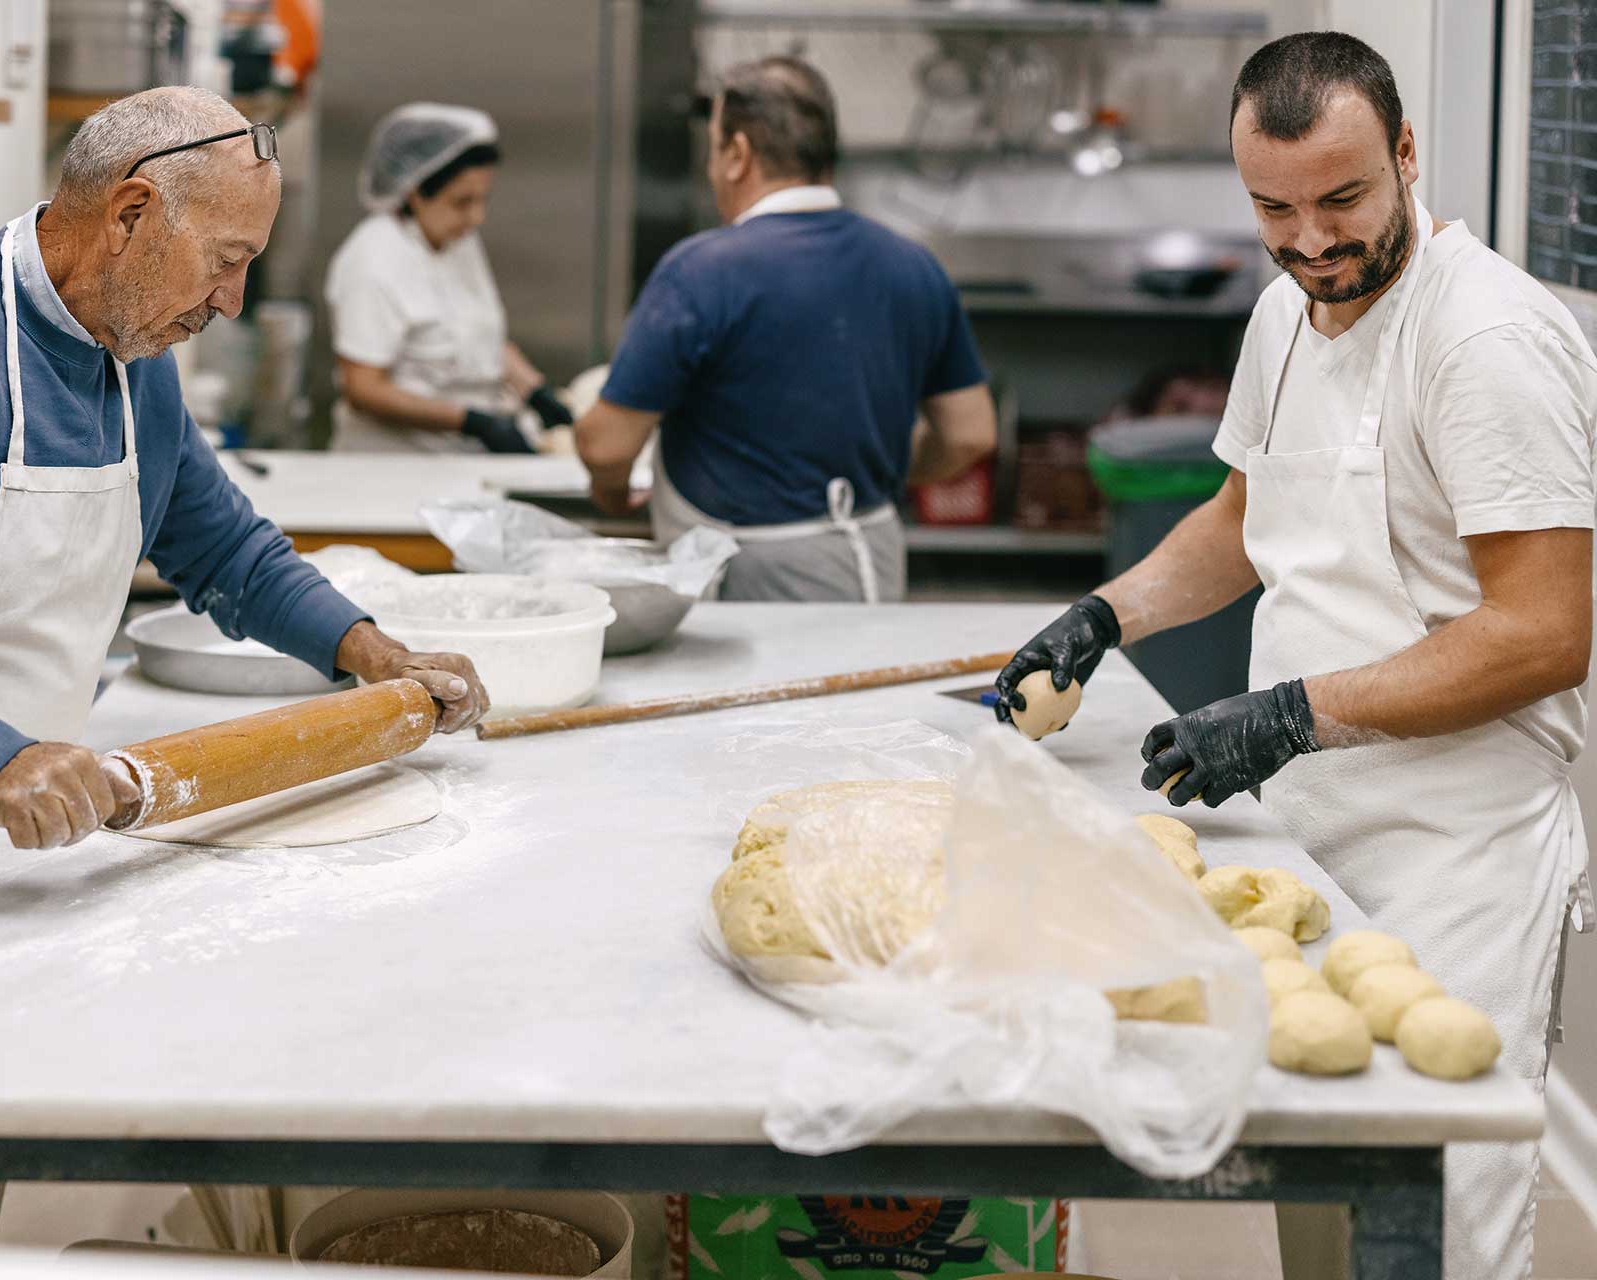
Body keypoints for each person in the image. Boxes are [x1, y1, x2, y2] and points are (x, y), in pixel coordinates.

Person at [0, 86, 490, 1233]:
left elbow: (219, 539)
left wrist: (366, 649)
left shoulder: (132, 355)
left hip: (17, 829)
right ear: (129, 214)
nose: (230, 300)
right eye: (223, 262)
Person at [994, 33, 1595, 1279]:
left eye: (1343, 200)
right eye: (1274, 207)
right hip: (1314, 838)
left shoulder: (1482, 343)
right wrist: (1105, 616)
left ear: (1408, 158)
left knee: (1433, 1230)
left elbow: (1545, 629)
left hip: (1457, 854)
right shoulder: (1286, 312)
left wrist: (1286, 715)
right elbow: (1244, 518)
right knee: (1323, 1215)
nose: (1312, 239)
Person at [573, 56, 996, 603]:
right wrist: (870, 471)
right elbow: (970, 434)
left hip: (746, 582)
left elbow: (606, 444)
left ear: (737, 155)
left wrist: (609, 494)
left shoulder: (703, 269)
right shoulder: (912, 264)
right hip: (871, 564)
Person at [323, 103, 571, 454]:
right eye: (462, 202)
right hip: (394, 468)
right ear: (414, 192)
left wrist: (536, 393)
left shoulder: (457, 240)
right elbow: (363, 388)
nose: (477, 216)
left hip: (461, 460)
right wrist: (471, 422)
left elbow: (478, 336)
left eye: (483, 199)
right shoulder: (372, 261)